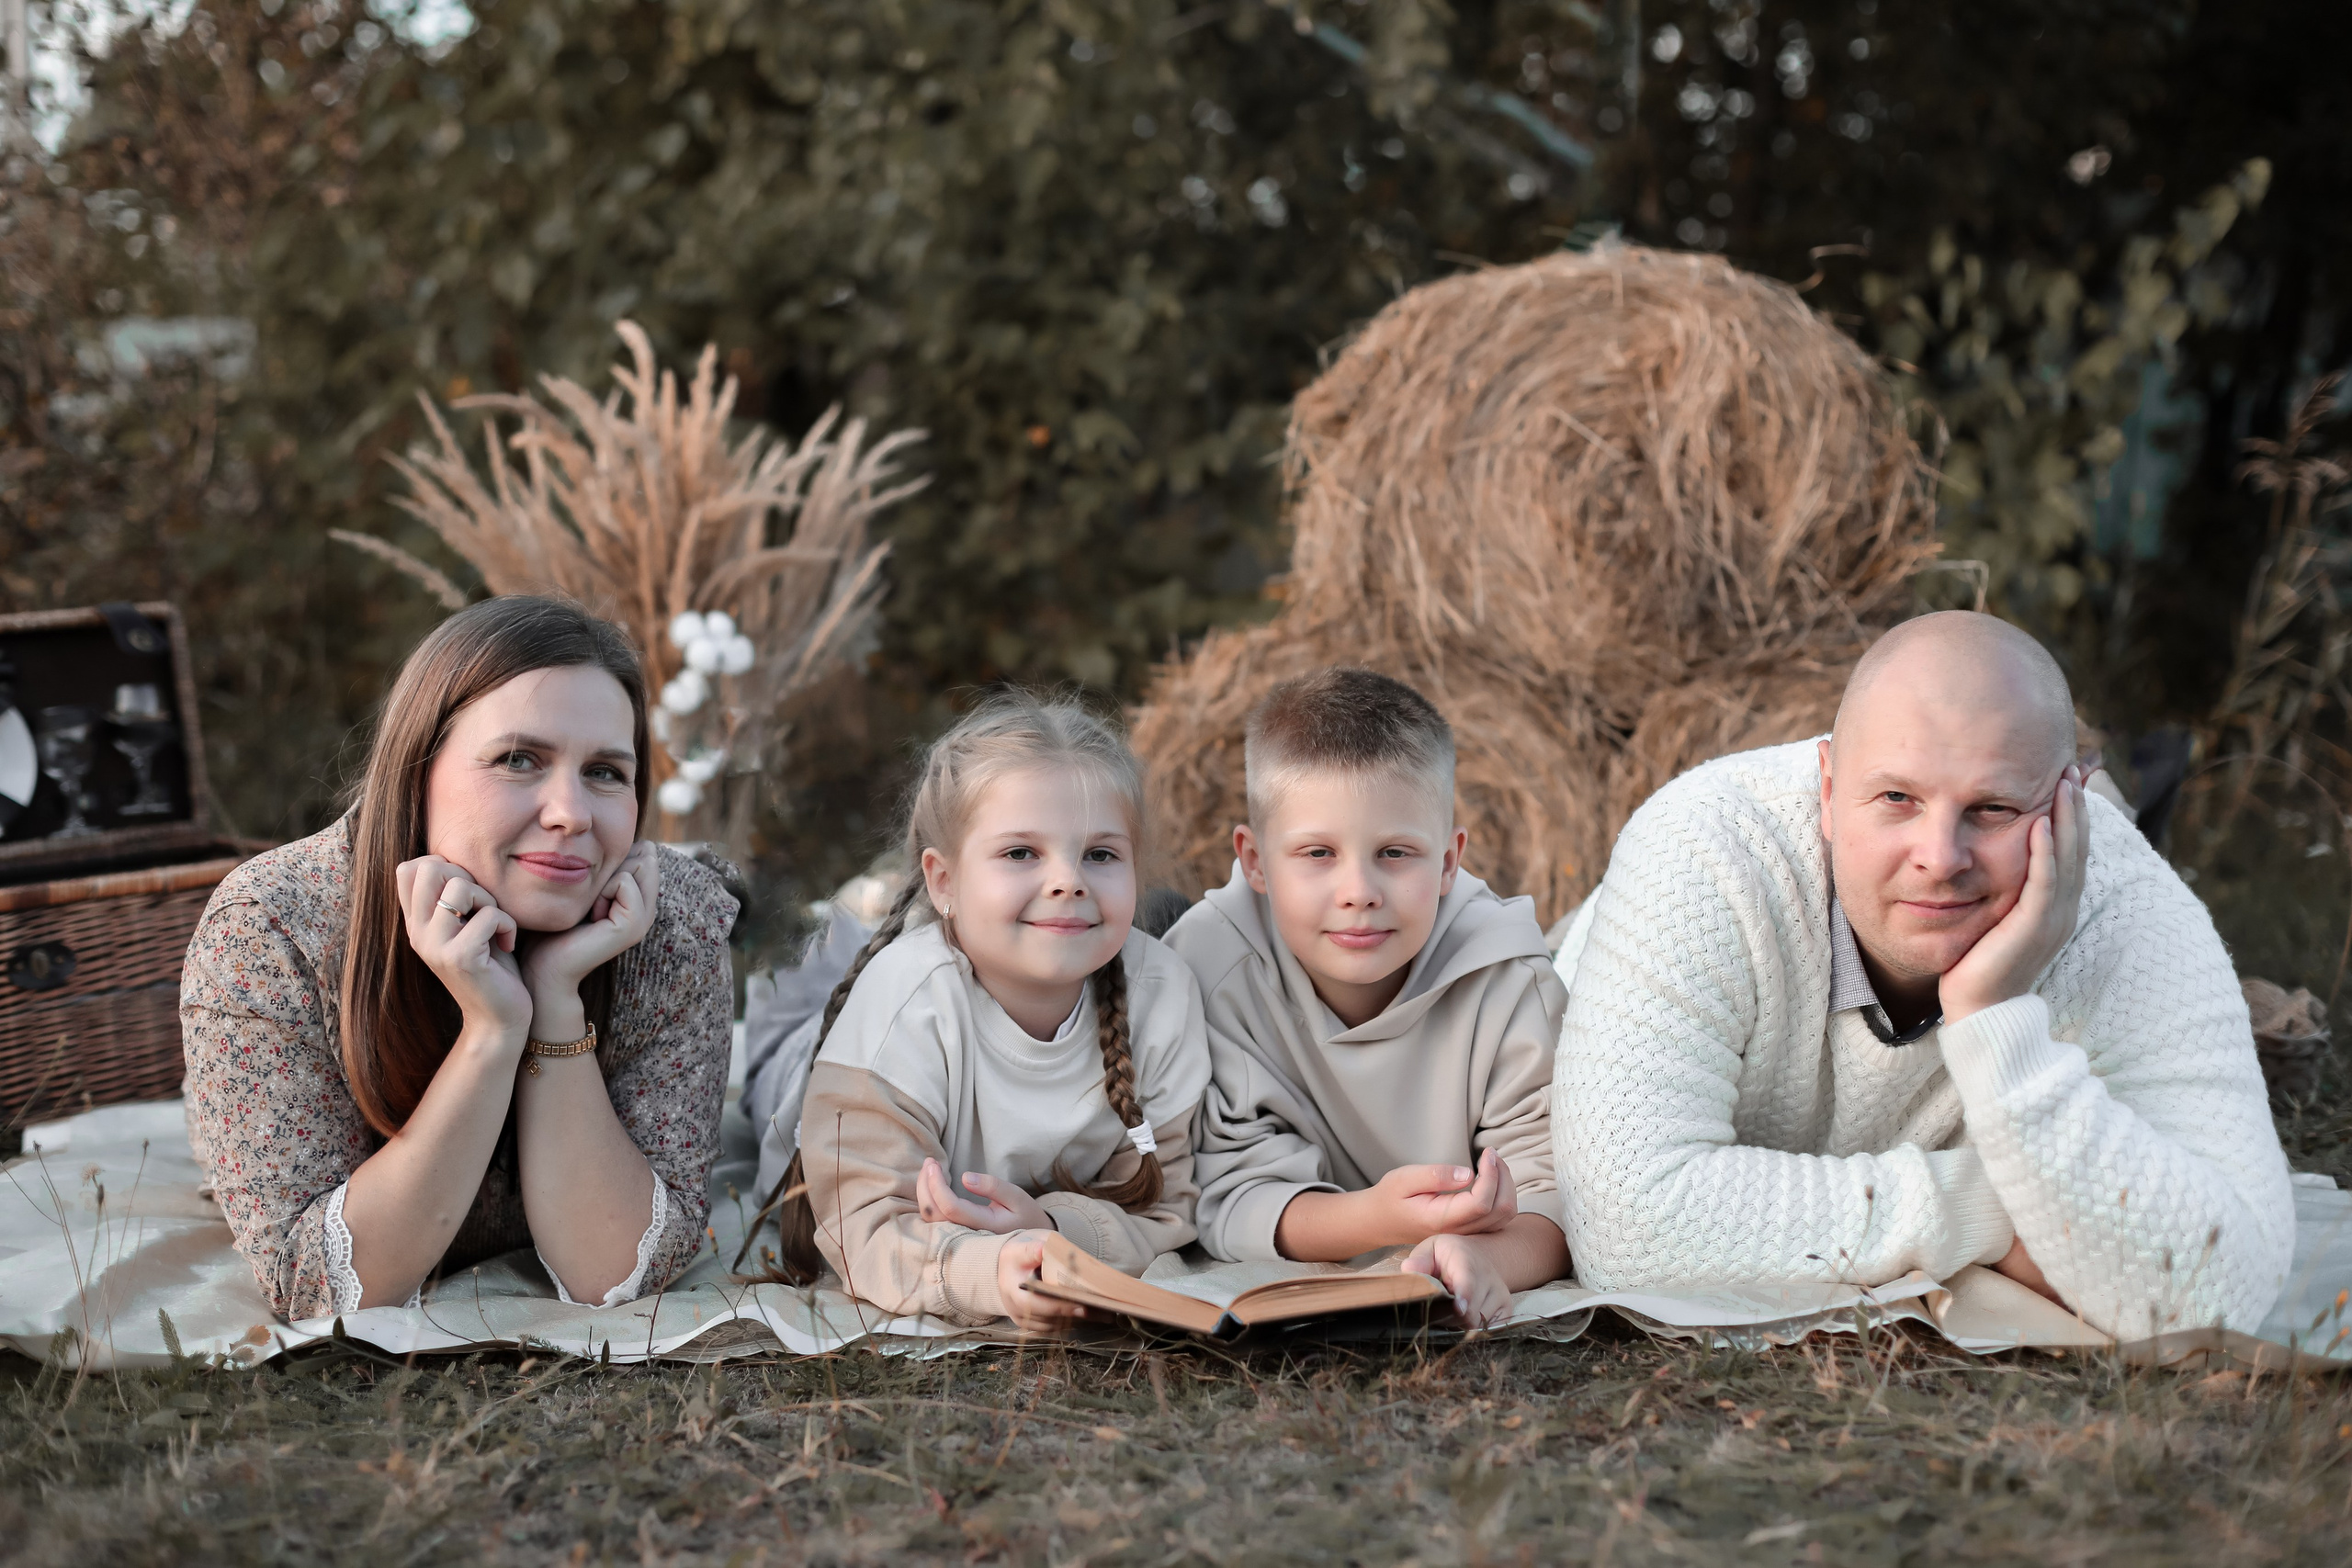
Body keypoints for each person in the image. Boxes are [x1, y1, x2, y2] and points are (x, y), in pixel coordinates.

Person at [1551, 611, 2296, 1338]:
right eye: (1897, 798)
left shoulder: (2132, 902)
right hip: (1554, 1001)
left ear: (2072, 804)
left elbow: (2225, 1286)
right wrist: (2000, 1212)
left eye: (1993, 808)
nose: (1941, 857)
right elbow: (1622, 1225)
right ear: (1829, 785)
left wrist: (1994, 1019)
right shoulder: (1706, 846)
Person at [181, 597, 738, 1320]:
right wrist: (492, 1029)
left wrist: (555, 998)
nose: (571, 812)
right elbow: (315, 1285)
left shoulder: (672, 920)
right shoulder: (272, 930)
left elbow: (617, 1272)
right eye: (518, 759)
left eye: (605, 771)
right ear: (417, 772)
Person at [763, 694, 1211, 1330]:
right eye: (1021, 853)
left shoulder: (1162, 991)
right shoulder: (905, 1006)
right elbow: (860, 1224)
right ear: (944, 880)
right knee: (787, 1021)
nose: (1069, 880)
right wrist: (986, 1270)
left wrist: (1051, 1230)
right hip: (815, 1075)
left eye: (1101, 854)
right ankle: (839, 925)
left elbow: (1166, 1204)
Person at [1170, 669, 1569, 1326]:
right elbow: (1225, 1194)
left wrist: (1487, 1258)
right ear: (1255, 859)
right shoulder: (1208, 969)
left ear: (1448, 861)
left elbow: (1559, 1192)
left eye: (1395, 852)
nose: (1359, 890)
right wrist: (1372, 1218)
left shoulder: (1508, 977)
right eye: (1318, 852)